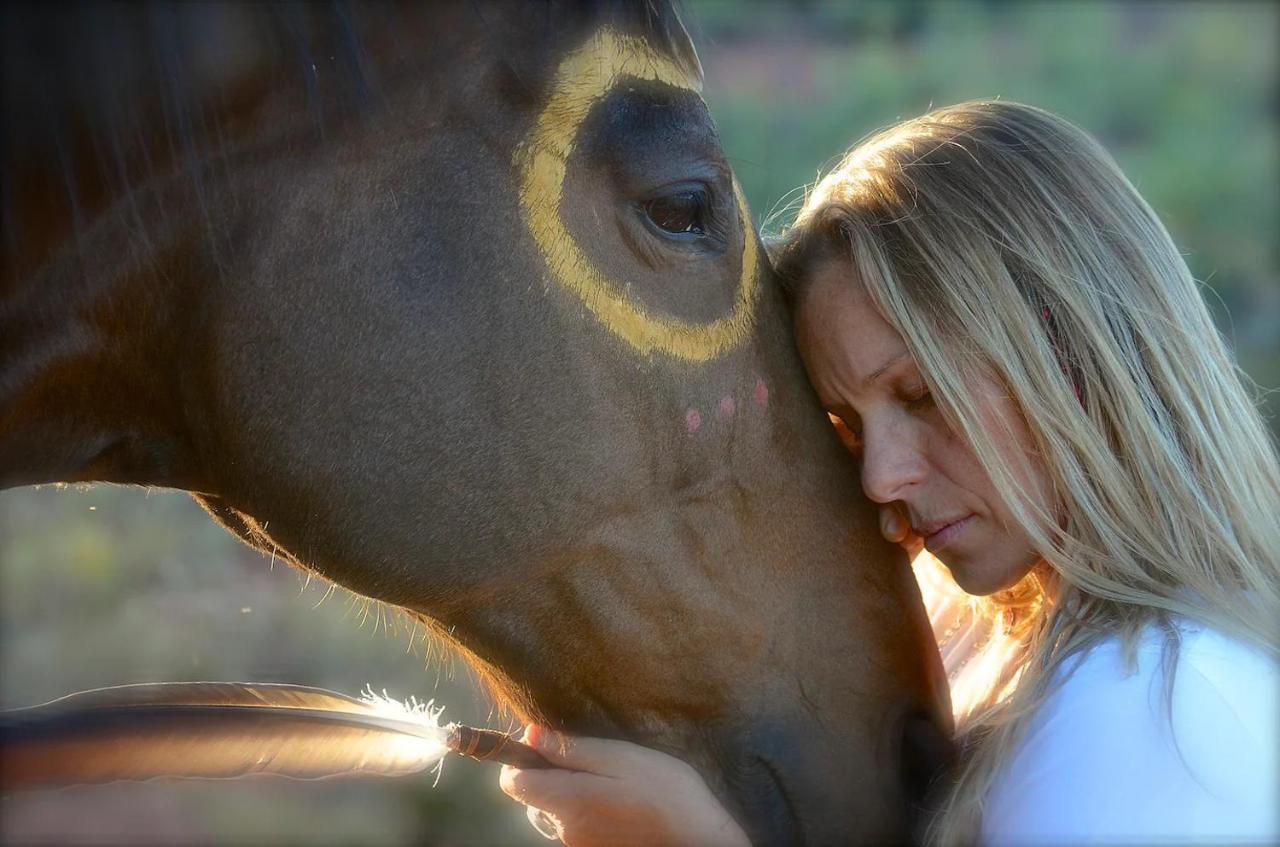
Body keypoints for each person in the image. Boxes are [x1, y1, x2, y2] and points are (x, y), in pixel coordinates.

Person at [498, 101, 1280, 846]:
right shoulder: (1106, 673)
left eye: (920, 394)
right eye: (850, 424)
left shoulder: (1151, 706)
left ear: (1068, 353)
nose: (881, 477)